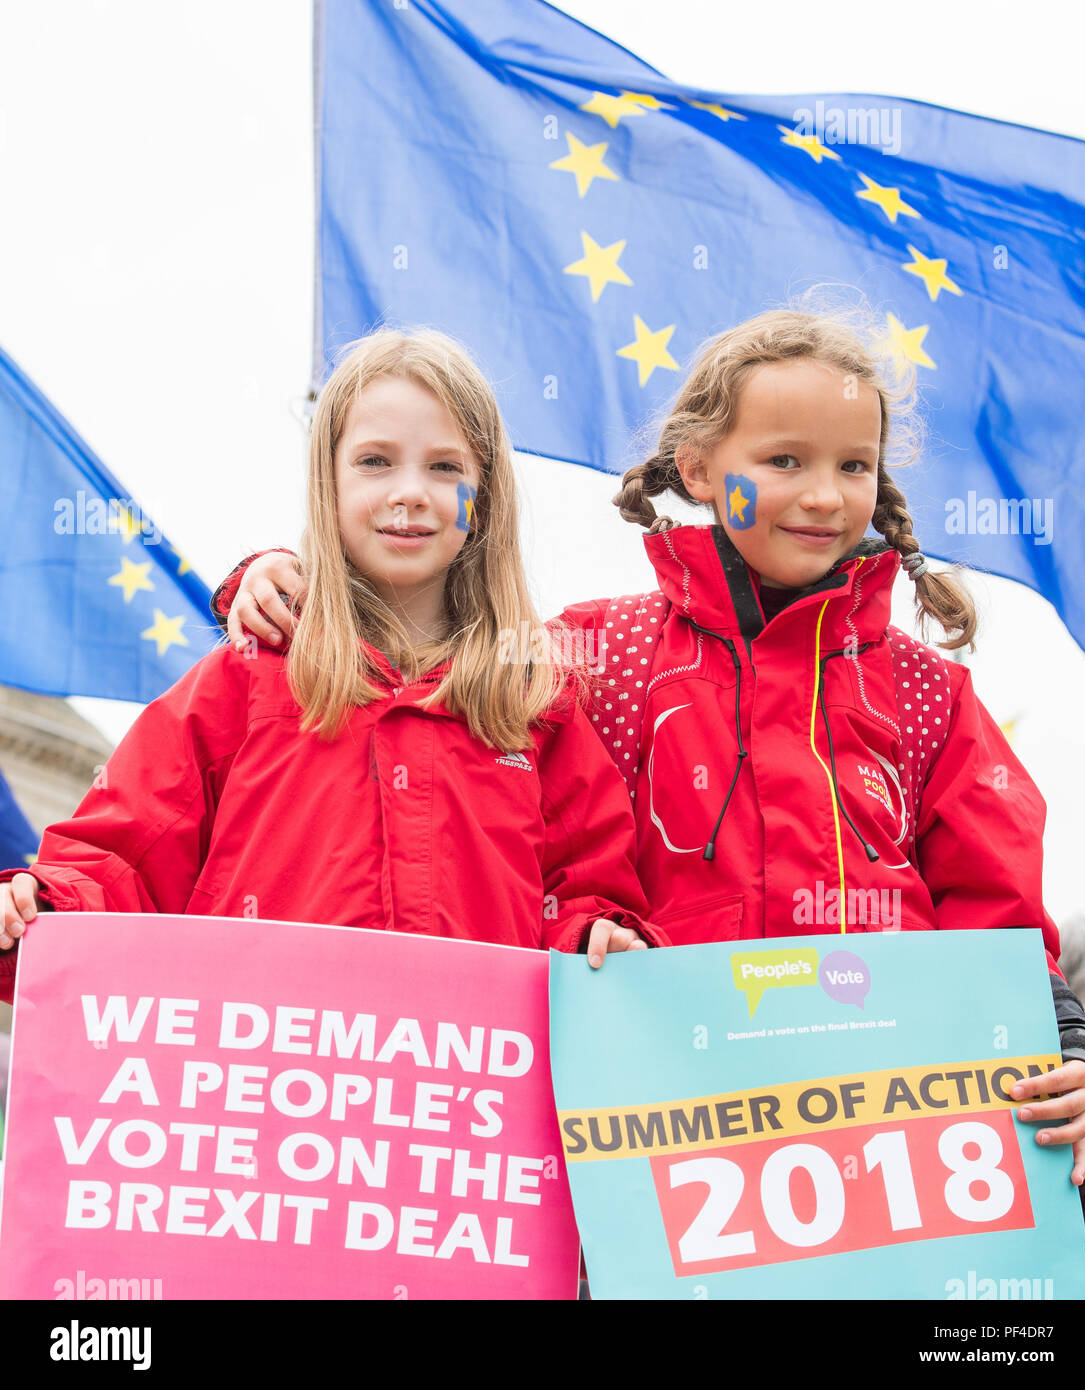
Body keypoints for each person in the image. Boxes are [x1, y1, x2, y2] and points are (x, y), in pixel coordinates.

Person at [211, 308, 1085, 1186]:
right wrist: (279, 583)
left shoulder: (924, 690)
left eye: (853, 465)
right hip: (665, 1130)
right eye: (784, 460)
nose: (825, 494)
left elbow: (999, 914)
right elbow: (429, 673)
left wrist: (1059, 1042)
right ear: (702, 469)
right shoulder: (597, 654)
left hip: (890, 1131)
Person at [0, 329, 663, 1005]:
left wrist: (597, 939)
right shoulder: (247, 679)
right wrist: (40, 909)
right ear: (328, 481)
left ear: (483, 497)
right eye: (375, 462)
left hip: (465, 1089)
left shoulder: (533, 704)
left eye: (444, 468)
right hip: (265, 1082)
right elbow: (124, 857)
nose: (410, 492)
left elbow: (585, 890)